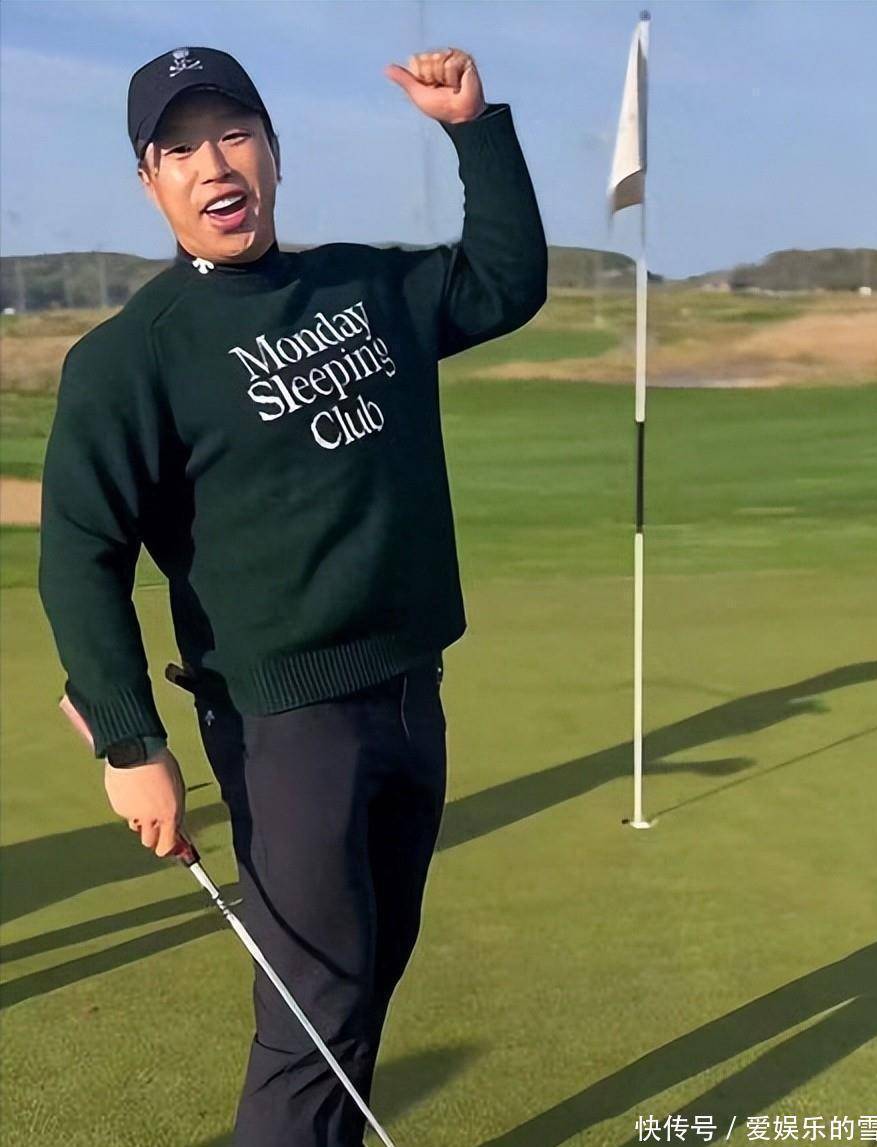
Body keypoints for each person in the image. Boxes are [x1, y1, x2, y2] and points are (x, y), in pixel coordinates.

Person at [38, 43, 547, 1146]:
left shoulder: (364, 284)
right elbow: (80, 554)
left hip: (409, 689)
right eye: (181, 149)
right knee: (314, 1014)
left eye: (234, 135)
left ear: (273, 152)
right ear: (150, 181)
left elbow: (506, 283)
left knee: (365, 981)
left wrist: (474, 130)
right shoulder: (131, 357)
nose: (214, 164)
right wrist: (129, 741)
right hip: (285, 727)